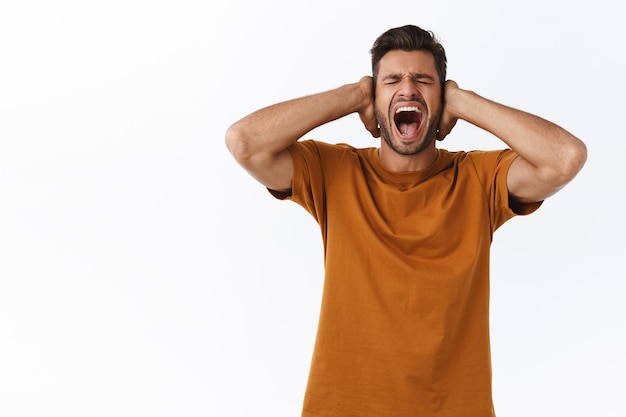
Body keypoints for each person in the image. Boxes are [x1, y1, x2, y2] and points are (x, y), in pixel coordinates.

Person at [225, 24, 587, 417]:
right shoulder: (334, 172)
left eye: (424, 80)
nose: (408, 89)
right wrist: (354, 94)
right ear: (376, 102)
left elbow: (564, 158)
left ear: (442, 97)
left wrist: (465, 102)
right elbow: (244, 142)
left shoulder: (479, 179)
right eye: (392, 80)